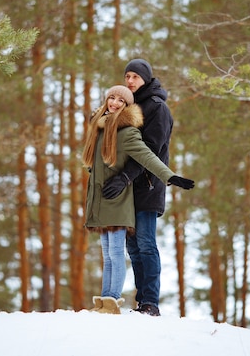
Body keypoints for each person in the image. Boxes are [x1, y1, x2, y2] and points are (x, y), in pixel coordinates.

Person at [82, 85, 194, 315]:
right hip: (102, 202)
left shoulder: (127, 132)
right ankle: (104, 300)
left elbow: (148, 157)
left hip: (118, 202)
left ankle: (113, 299)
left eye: (120, 101)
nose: (114, 103)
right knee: (107, 254)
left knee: (116, 253)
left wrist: (170, 177)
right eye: (111, 98)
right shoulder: (100, 131)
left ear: (126, 106)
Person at [101, 59, 174, 316]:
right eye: (127, 76)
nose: (129, 81)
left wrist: (125, 177)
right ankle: (140, 300)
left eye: (135, 77)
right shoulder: (127, 107)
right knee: (132, 248)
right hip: (127, 188)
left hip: (148, 184)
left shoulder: (157, 108)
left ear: (145, 78)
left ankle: (151, 303)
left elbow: (151, 151)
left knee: (145, 243)